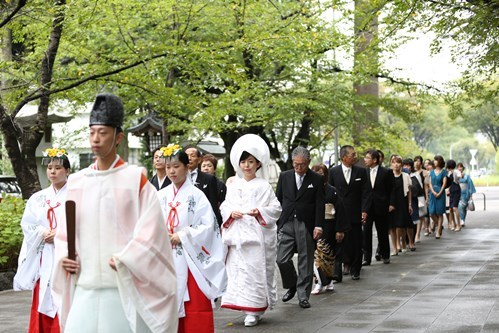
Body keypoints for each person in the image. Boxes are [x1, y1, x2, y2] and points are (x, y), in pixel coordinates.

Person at [52, 93, 178, 333]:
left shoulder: (135, 180)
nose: (96, 139)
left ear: (118, 137)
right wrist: (65, 258)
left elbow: (152, 232)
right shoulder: (77, 182)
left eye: (103, 133)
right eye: (92, 133)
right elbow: (64, 234)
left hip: (121, 285)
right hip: (85, 286)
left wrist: (127, 257)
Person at [157, 144, 227, 333]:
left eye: (176, 166)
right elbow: (150, 224)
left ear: (187, 166)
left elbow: (208, 226)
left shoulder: (197, 195)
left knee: (195, 308)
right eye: (168, 167)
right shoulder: (160, 195)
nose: (171, 171)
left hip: (190, 258)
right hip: (167, 258)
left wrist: (182, 236)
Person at [220, 134, 282, 327]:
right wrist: (232, 213)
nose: (246, 166)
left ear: (258, 164)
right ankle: (244, 307)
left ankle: (255, 309)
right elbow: (224, 206)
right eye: (243, 162)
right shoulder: (233, 185)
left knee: (255, 272)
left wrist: (259, 212)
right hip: (238, 237)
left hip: (256, 239)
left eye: (250, 162)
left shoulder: (263, 186)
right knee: (239, 272)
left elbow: (276, 208)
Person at [14, 148, 71, 333]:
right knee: (43, 296)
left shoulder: (76, 195)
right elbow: (28, 225)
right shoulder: (37, 198)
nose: (53, 172)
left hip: (68, 257)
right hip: (45, 256)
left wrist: (60, 233)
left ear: (68, 171)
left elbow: (85, 224)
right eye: (50, 168)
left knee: (67, 301)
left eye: (58, 168)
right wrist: (42, 232)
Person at [276, 146, 325, 309]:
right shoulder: (284, 176)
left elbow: (320, 204)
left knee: (305, 258)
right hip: (287, 221)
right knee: (281, 258)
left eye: (302, 165)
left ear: (308, 162)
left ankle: (303, 295)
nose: (298, 168)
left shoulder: (316, 179)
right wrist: (277, 222)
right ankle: (292, 283)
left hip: (306, 223)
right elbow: (278, 199)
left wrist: (319, 225)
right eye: (295, 164)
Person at [328, 145, 369, 280]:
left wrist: (364, 210)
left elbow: (366, 193)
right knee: (341, 242)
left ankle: (355, 268)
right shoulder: (333, 172)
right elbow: (329, 193)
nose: (355, 157)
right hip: (339, 214)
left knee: (357, 241)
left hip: (355, 212)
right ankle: (341, 268)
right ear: (344, 157)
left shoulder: (361, 172)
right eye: (352, 154)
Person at [310, 164, 338, 293]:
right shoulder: (310, 189)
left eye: (321, 173)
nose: (319, 176)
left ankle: (329, 280)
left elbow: (339, 209)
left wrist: (340, 229)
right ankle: (319, 282)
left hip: (329, 224)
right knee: (317, 255)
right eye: (316, 173)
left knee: (328, 255)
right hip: (315, 223)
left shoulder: (332, 190)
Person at [362, 149, 392, 266]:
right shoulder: (363, 172)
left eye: (367, 158)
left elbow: (391, 189)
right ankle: (367, 258)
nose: (365, 160)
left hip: (381, 206)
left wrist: (390, 204)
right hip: (367, 207)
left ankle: (385, 255)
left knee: (382, 232)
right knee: (366, 233)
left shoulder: (386, 172)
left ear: (375, 160)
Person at [184, 145, 223, 226]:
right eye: (187, 156)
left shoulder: (209, 179)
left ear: (199, 160)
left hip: (202, 221)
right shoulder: (178, 178)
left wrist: (215, 224)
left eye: (193, 155)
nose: (189, 158)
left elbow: (213, 203)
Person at [388, 155, 414, 254]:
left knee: (406, 223)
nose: (396, 164)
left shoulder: (405, 176)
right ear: (391, 164)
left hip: (403, 201)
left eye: (398, 162)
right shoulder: (389, 175)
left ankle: (409, 241)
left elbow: (409, 191)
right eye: (394, 162)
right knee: (395, 224)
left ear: (401, 165)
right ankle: (396, 245)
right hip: (392, 203)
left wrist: (410, 204)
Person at [428, 155, 447, 239]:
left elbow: (444, 183)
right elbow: (430, 183)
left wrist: (440, 192)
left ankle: (438, 231)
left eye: (436, 160)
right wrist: (432, 191)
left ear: (439, 161)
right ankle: (439, 225)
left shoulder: (443, 172)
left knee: (440, 213)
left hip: (441, 193)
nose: (434, 162)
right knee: (431, 213)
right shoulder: (431, 172)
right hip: (432, 193)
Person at [445, 159, 462, 232]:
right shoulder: (448, 173)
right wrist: (448, 190)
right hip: (451, 190)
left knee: (455, 208)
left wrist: (456, 173)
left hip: (456, 189)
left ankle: (458, 225)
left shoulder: (456, 171)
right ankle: (454, 224)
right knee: (450, 209)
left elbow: (459, 176)